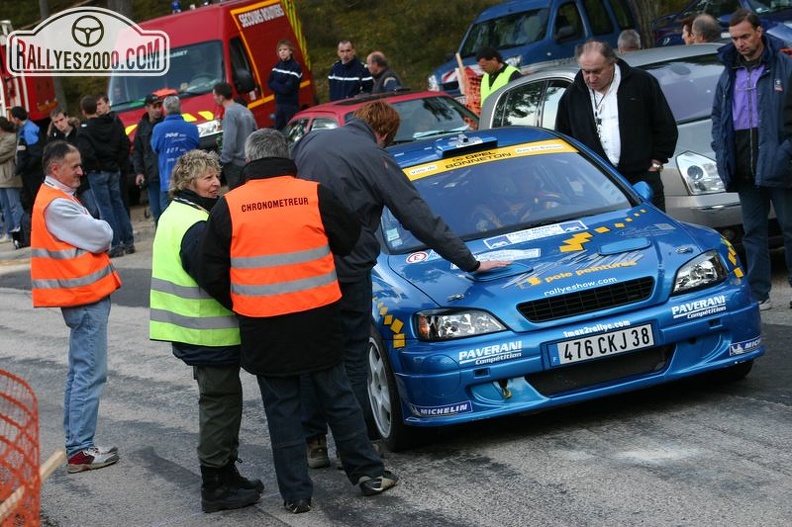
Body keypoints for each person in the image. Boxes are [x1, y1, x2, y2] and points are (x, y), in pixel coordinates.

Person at [292, 100, 509, 468]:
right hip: (347, 271)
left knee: (312, 353)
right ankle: (357, 444)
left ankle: (313, 441)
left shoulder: (310, 142)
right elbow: (417, 216)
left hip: (301, 269)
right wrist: (469, 261)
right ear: (384, 134)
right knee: (352, 356)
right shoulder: (375, 158)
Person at [197, 128, 398, 514]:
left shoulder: (231, 205)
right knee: (338, 397)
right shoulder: (313, 193)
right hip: (319, 318)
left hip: (263, 326)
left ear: (251, 160)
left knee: (282, 409)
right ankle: (368, 474)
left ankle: (296, 495)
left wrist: (241, 300)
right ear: (285, 155)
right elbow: (349, 237)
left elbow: (210, 270)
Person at [149, 149, 262, 512]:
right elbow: (214, 278)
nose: (216, 183)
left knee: (222, 403)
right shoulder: (195, 224)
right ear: (188, 182)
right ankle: (216, 486)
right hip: (207, 333)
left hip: (195, 332)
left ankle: (227, 475)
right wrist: (249, 306)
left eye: (217, 175)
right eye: (207, 177)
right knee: (221, 406)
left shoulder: (178, 214)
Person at [30, 140, 122, 473]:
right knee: (89, 373)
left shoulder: (55, 198)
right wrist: (106, 228)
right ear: (56, 169)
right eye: (75, 166)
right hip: (84, 297)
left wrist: (101, 229)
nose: (81, 171)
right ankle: (80, 450)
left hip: (82, 296)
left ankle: (78, 445)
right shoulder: (57, 204)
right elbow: (101, 236)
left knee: (80, 373)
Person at [711, 8, 792, 311]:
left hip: (779, 161)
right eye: (734, 38)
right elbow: (719, 118)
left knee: (789, 227)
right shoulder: (728, 72)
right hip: (743, 162)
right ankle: (759, 293)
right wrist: (721, 150)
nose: (740, 43)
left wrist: (786, 151)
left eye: (745, 36)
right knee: (753, 232)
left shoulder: (784, 66)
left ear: (759, 32)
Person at [555, 39, 678, 211]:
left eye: (597, 71)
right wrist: (579, 176)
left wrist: (656, 163)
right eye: (586, 72)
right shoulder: (572, 96)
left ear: (612, 64)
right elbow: (564, 139)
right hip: (596, 186)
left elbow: (665, 125)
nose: (591, 78)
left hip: (643, 178)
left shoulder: (641, 83)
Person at [76, 94, 135, 257]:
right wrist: (116, 163)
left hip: (98, 172)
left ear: (83, 111)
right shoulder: (112, 122)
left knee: (106, 209)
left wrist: (96, 167)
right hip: (113, 169)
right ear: (96, 108)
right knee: (118, 205)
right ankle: (128, 241)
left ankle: (115, 244)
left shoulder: (84, 129)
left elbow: (86, 153)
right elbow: (123, 144)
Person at [48, 107, 99, 219]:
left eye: (61, 120)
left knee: (94, 210)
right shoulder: (54, 139)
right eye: (56, 122)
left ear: (66, 117)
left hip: (83, 179)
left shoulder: (78, 132)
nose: (60, 124)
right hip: (66, 182)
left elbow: (85, 153)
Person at [151, 94, 199, 209]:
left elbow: (155, 149)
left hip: (168, 182)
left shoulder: (158, 129)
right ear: (180, 109)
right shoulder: (192, 128)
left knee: (167, 216)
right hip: (189, 180)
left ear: (165, 110)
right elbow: (197, 146)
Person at [132, 92, 168, 226]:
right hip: (151, 177)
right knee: (156, 212)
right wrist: (139, 172)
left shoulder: (165, 123)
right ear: (147, 107)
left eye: (160, 106)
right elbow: (137, 151)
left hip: (166, 175)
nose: (158, 110)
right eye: (155, 106)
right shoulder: (142, 126)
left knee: (166, 211)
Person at [212, 82, 257, 189]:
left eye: (214, 95)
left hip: (235, 165)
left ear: (221, 97)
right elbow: (256, 133)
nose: (214, 98)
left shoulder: (229, 113)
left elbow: (229, 141)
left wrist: (224, 161)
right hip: (249, 161)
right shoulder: (245, 110)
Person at [96, 92, 134, 216]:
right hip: (108, 167)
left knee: (122, 199)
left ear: (107, 104)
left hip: (119, 167)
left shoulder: (115, 120)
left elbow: (124, 143)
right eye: (96, 105)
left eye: (100, 104)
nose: (98, 108)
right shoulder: (98, 123)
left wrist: (118, 163)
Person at [9, 106, 43, 211]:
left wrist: (25, 168)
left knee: (34, 198)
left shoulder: (28, 130)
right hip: (30, 171)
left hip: (33, 173)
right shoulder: (27, 127)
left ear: (16, 119)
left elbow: (36, 153)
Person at [267, 39, 303, 130]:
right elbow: (269, 82)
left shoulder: (295, 67)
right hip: (279, 104)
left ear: (290, 51)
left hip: (291, 105)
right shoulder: (277, 67)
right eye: (280, 50)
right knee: (278, 130)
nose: (282, 52)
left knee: (292, 130)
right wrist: (281, 85)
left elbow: (287, 89)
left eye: (285, 49)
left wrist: (277, 85)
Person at [0, 117, 24, 244]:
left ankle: (20, 230)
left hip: (10, 175)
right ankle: (9, 232)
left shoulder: (10, 138)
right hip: (1, 177)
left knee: (14, 205)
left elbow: (2, 154)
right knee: (5, 207)